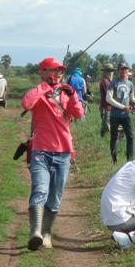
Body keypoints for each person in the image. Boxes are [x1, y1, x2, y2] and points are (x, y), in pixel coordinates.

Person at [21, 57, 84, 250]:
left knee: (55, 197)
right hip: (41, 151)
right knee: (40, 190)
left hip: (64, 153)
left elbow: (79, 114)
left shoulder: (65, 93)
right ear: (42, 72)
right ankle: (35, 232)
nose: (57, 74)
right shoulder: (38, 93)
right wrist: (45, 88)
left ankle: (47, 234)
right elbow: (26, 103)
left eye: (59, 71)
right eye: (52, 70)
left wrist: (72, 94)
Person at [106, 62, 135, 163]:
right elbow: (108, 98)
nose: (124, 71)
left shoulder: (130, 84)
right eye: (122, 69)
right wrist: (122, 107)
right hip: (114, 115)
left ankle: (129, 160)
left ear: (128, 71)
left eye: (126, 69)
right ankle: (114, 160)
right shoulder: (113, 83)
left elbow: (132, 97)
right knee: (114, 137)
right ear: (118, 71)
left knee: (130, 137)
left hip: (125, 115)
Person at [98, 62, 114, 137]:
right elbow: (109, 94)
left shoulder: (110, 81)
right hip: (105, 106)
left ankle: (103, 136)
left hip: (109, 106)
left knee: (105, 124)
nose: (111, 72)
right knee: (107, 124)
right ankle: (111, 138)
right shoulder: (105, 81)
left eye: (111, 71)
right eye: (109, 71)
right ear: (105, 72)